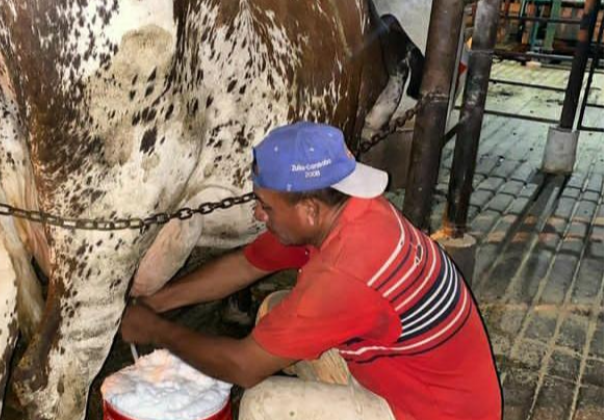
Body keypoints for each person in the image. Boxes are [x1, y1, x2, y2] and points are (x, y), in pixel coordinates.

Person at [120, 121, 502, 420]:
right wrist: (156, 302)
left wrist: (157, 331)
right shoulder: (348, 210)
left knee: (262, 402)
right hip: (422, 380)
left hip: (435, 414)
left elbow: (243, 367)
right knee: (276, 308)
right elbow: (244, 265)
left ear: (309, 210)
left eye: (265, 206)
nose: (258, 214)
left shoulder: (345, 269)